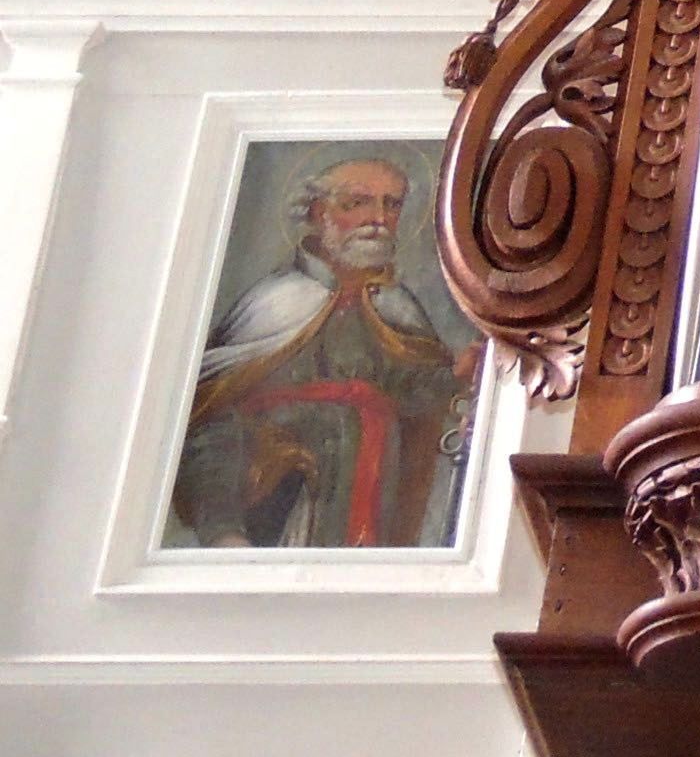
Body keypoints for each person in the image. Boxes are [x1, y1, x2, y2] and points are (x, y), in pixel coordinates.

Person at [168, 155, 477, 550]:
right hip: (282, 513)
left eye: (391, 204)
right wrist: (224, 533)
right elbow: (208, 421)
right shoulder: (273, 305)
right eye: (357, 203)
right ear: (318, 213)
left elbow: (417, 400)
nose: (378, 219)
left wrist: (456, 379)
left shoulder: (396, 307)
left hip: (375, 509)